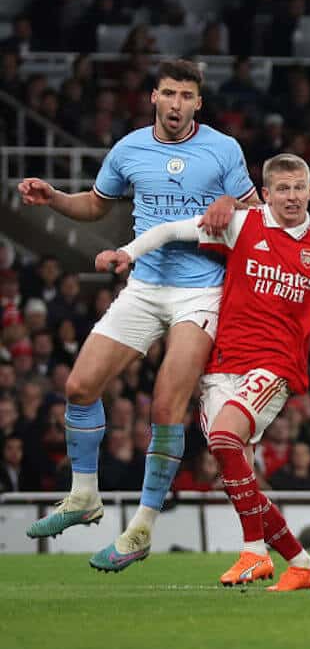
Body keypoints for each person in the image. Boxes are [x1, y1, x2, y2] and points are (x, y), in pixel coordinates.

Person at [95, 153, 310, 589]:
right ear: (266, 194)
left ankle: (254, 554)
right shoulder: (243, 224)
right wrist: (127, 252)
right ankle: (301, 564)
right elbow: (171, 230)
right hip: (220, 366)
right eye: (282, 189)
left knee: (224, 439)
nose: (292, 196)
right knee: (239, 477)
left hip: (274, 366)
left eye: (299, 187)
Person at [21, 58, 255, 572]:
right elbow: (96, 205)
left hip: (202, 292)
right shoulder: (129, 148)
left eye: (186, 96)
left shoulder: (223, 150)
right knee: (80, 388)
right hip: (144, 286)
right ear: (153, 96)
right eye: (168, 93)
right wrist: (55, 197)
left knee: (165, 405)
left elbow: (259, 219)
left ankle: (141, 529)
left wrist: (228, 205)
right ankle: (84, 496)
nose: (176, 104)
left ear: (199, 103)